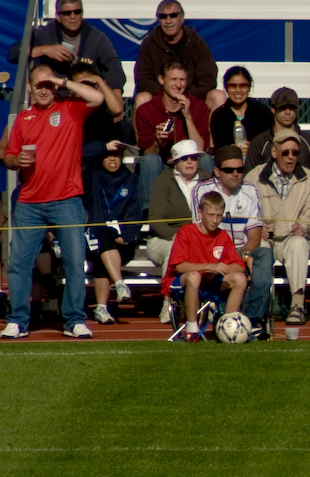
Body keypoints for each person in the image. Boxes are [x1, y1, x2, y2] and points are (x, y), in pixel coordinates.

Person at [2, 64, 106, 339]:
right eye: (39, 84)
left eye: (48, 84)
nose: (44, 89)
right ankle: (17, 320)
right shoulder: (23, 119)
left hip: (67, 200)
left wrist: (61, 80)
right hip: (29, 202)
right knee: (19, 263)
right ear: (29, 88)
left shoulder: (70, 109)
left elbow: (97, 99)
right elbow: (9, 157)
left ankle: (74, 320)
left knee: (75, 261)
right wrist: (16, 161)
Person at [192, 146, 272, 335]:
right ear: (217, 171)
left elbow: (255, 236)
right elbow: (202, 234)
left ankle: (251, 320)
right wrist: (237, 258)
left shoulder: (250, 190)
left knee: (266, 254)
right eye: (229, 170)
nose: (236, 174)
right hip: (212, 251)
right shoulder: (202, 190)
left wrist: (242, 256)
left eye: (240, 170)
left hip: (243, 250)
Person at [245, 129, 310, 326]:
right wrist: (256, 226)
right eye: (285, 152)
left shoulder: (309, 179)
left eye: (295, 153)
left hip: (292, 239)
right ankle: (257, 307)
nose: (290, 157)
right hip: (265, 238)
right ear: (274, 152)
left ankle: (297, 304)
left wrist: (303, 227)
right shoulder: (254, 177)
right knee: (258, 244)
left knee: (298, 244)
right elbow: (244, 210)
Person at [162, 191, 247, 343]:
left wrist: (220, 270)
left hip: (209, 281)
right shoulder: (186, 232)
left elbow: (239, 265)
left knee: (240, 279)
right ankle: (192, 330)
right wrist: (209, 266)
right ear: (200, 213)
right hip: (182, 281)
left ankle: (228, 325)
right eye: (211, 215)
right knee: (194, 276)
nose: (215, 220)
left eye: (219, 215)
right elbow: (180, 266)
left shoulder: (222, 236)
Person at [7, 0, 126, 98]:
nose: (73, 17)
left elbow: (113, 65)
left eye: (77, 12)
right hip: (54, 99)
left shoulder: (96, 38)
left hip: (86, 100)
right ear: (58, 16)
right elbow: (13, 55)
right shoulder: (44, 34)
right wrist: (44, 50)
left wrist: (116, 94)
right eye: (67, 13)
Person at [135, 57, 213, 208]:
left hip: (190, 164)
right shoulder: (146, 110)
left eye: (182, 80)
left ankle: (207, 208)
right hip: (164, 165)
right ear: (161, 79)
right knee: (150, 160)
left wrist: (188, 116)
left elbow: (200, 149)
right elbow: (147, 153)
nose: (178, 85)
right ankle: (150, 212)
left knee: (206, 159)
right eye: (173, 79)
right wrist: (157, 142)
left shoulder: (199, 107)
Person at [147, 140, 211, 324]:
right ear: (175, 162)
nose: (190, 162)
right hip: (165, 238)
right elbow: (155, 218)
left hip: (199, 239)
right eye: (184, 159)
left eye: (193, 158)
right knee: (174, 249)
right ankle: (168, 304)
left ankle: (211, 305)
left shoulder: (207, 180)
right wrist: (174, 236)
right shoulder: (163, 181)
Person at [83, 147, 143, 325]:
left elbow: (136, 212)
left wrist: (127, 236)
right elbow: (79, 154)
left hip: (122, 241)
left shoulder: (131, 180)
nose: (112, 160)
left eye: (116, 156)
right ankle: (119, 284)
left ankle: (102, 307)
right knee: (102, 236)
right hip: (94, 238)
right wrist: (102, 146)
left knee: (104, 245)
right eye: (107, 156)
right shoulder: (92, 175)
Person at [134, 0, 222, 115]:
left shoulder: (196, 42)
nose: (168, 21)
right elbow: (143, 80)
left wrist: (186, 98)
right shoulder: (149, 44)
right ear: (158, 20)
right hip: (160, 101)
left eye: (173, 15)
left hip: (192, 100)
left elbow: (208, 78)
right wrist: (168, 97)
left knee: (218, 96)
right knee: (142, 98)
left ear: (182, 18)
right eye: (163, 16)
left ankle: (208, 134)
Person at [244, 86, 310, 181]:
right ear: (273, 109)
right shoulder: (260, 143)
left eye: (292, 107)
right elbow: (250, 180)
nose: (288, 112)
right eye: (283, 108)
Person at [209, 66, 273, 154]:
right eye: (233, 86)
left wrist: (252, 148)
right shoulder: (219, 116)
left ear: (249, 87)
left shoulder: (261, 112)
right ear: (226, 88)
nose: (238, 90)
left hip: (258, 159)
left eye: (243, 85)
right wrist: (231, 150)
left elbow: (269, 142)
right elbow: (219, 147)